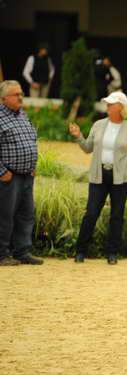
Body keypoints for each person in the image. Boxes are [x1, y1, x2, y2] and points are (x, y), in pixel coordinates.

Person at [68, 91, 127, 264]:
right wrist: (78, 136)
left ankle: (112, 253)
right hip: (98, 175)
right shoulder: (98, 125)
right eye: (107, 103)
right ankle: (80, 251)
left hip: (122, 179)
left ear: (121, 107)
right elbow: (87, 148)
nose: (107, 105)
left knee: (117, 215)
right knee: (91, 213)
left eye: (111, 103)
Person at [0, 80, 44, 266]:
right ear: (3, 99)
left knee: (26, 214)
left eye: (21, 94)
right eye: (15, 94)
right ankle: (2, 254)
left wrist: (32, 166)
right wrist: (1, 171)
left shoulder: (22, 115)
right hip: (9, 177)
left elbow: (31, 140)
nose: (20, 97)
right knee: (5, 215)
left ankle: (22, 251)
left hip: (27, 175)